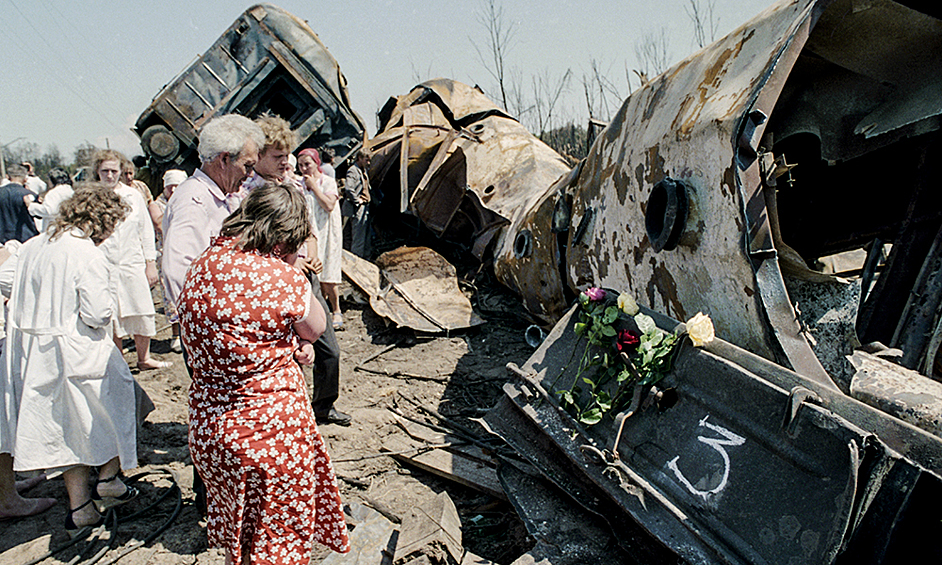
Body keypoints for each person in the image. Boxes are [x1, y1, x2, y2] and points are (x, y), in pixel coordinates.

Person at [179, 183, 350, 564]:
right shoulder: (280, 277)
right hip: (270, 434)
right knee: (277, 542)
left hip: (212, 431)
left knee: (240, 538)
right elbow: (316, 327)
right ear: (285, 236)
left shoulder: (203, 264)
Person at [0, 184, 139, 535]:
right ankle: (108, 477)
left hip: (34, 355)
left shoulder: (33, 246)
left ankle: (80, 509)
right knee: (108, 410)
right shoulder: (85, 253)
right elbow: (97, 313)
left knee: (64, 429)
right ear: (101, 221)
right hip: (77, 350)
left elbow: (6, 282)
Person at [243, 115, 350, 426]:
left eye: (286, 156)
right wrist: (289, 264)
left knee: (329, 350)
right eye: (277, 157)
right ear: (259, 155)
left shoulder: (293, 186)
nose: (284, 162)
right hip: (275, 285)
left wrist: (311, 259)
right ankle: (292, 414)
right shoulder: (250, 194)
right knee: (290, 356)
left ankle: (324, 406)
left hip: (305, 279)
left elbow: (310, 230)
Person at [161, 114, 264, 314]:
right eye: (248, 166)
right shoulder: (194, 200)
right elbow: (177, 271)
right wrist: (210, 321)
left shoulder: (224, 196)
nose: (250, 174)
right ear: (224, 159)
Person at [94, 150, 168, 371]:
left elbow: (146, 229)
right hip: (102, 262)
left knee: (140, 307)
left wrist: (150, 262)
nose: (109, 175)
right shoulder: (93, 197)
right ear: (97, 172)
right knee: (111, 312)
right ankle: (117, 362)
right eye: (104, 171)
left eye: (113, 171)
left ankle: (144, 358)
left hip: (132, 260)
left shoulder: (133, 195)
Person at [298, 148, 344, 330]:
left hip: (327, 231)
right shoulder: (299, 183)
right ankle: (319, 312)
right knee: (312, 272)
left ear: (316, 163)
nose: (303, 169)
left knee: (329, 273)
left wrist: (314, 187)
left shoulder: (328, 182)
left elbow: (329, 205)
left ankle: (337, 310)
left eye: (307, 164)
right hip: (311, 233)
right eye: (300, 165)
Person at [150, 169, 187, 354]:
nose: (173, 190)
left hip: (186, 252)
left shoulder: (187, 201)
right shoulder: (157, 205)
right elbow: (160, 224)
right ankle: (175, 335)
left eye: (177, 186)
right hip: (166, 254)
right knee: (171, 296)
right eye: (170, 186)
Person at [343, 148, 372, 258]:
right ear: (359, 158)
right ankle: (356, 263)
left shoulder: (363, 170)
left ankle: (365, 259)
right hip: (356, 208)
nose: (368, 163)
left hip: (364, 207)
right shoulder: (353, 170)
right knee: (358, 238)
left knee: (364, 236)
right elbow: (349, 188)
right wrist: (357, 200)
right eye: (366, 160)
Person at [26, 167, 74, 233]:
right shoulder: (70, 191)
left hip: (53, 227)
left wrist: (31, 205)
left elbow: (48, 210)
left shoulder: (54, 193)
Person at [0, 164, 40, 243]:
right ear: (25, 179)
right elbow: (38, 214)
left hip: (3, 237)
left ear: (8, 177)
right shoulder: (30, 194)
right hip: (26, 237)